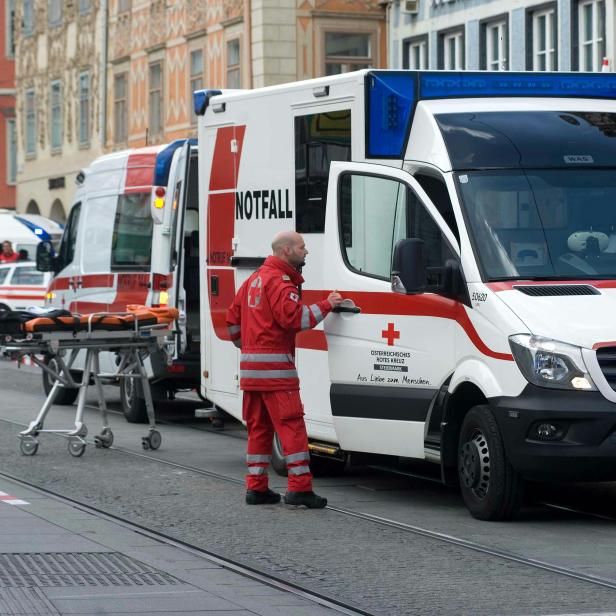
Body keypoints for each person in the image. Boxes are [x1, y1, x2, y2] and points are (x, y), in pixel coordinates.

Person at [226, 231, 343, 508]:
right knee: (291, 427)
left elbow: (232, 322)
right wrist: (328, 304)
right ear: (287, 250)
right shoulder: (281, 282)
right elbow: (295, 318)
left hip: (251, 373)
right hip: (277, 371)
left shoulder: (252, 280)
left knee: (259, 429)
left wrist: (250, 347)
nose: (306, 251)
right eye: (302, 247)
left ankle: (256, 488)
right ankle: (299, 488)